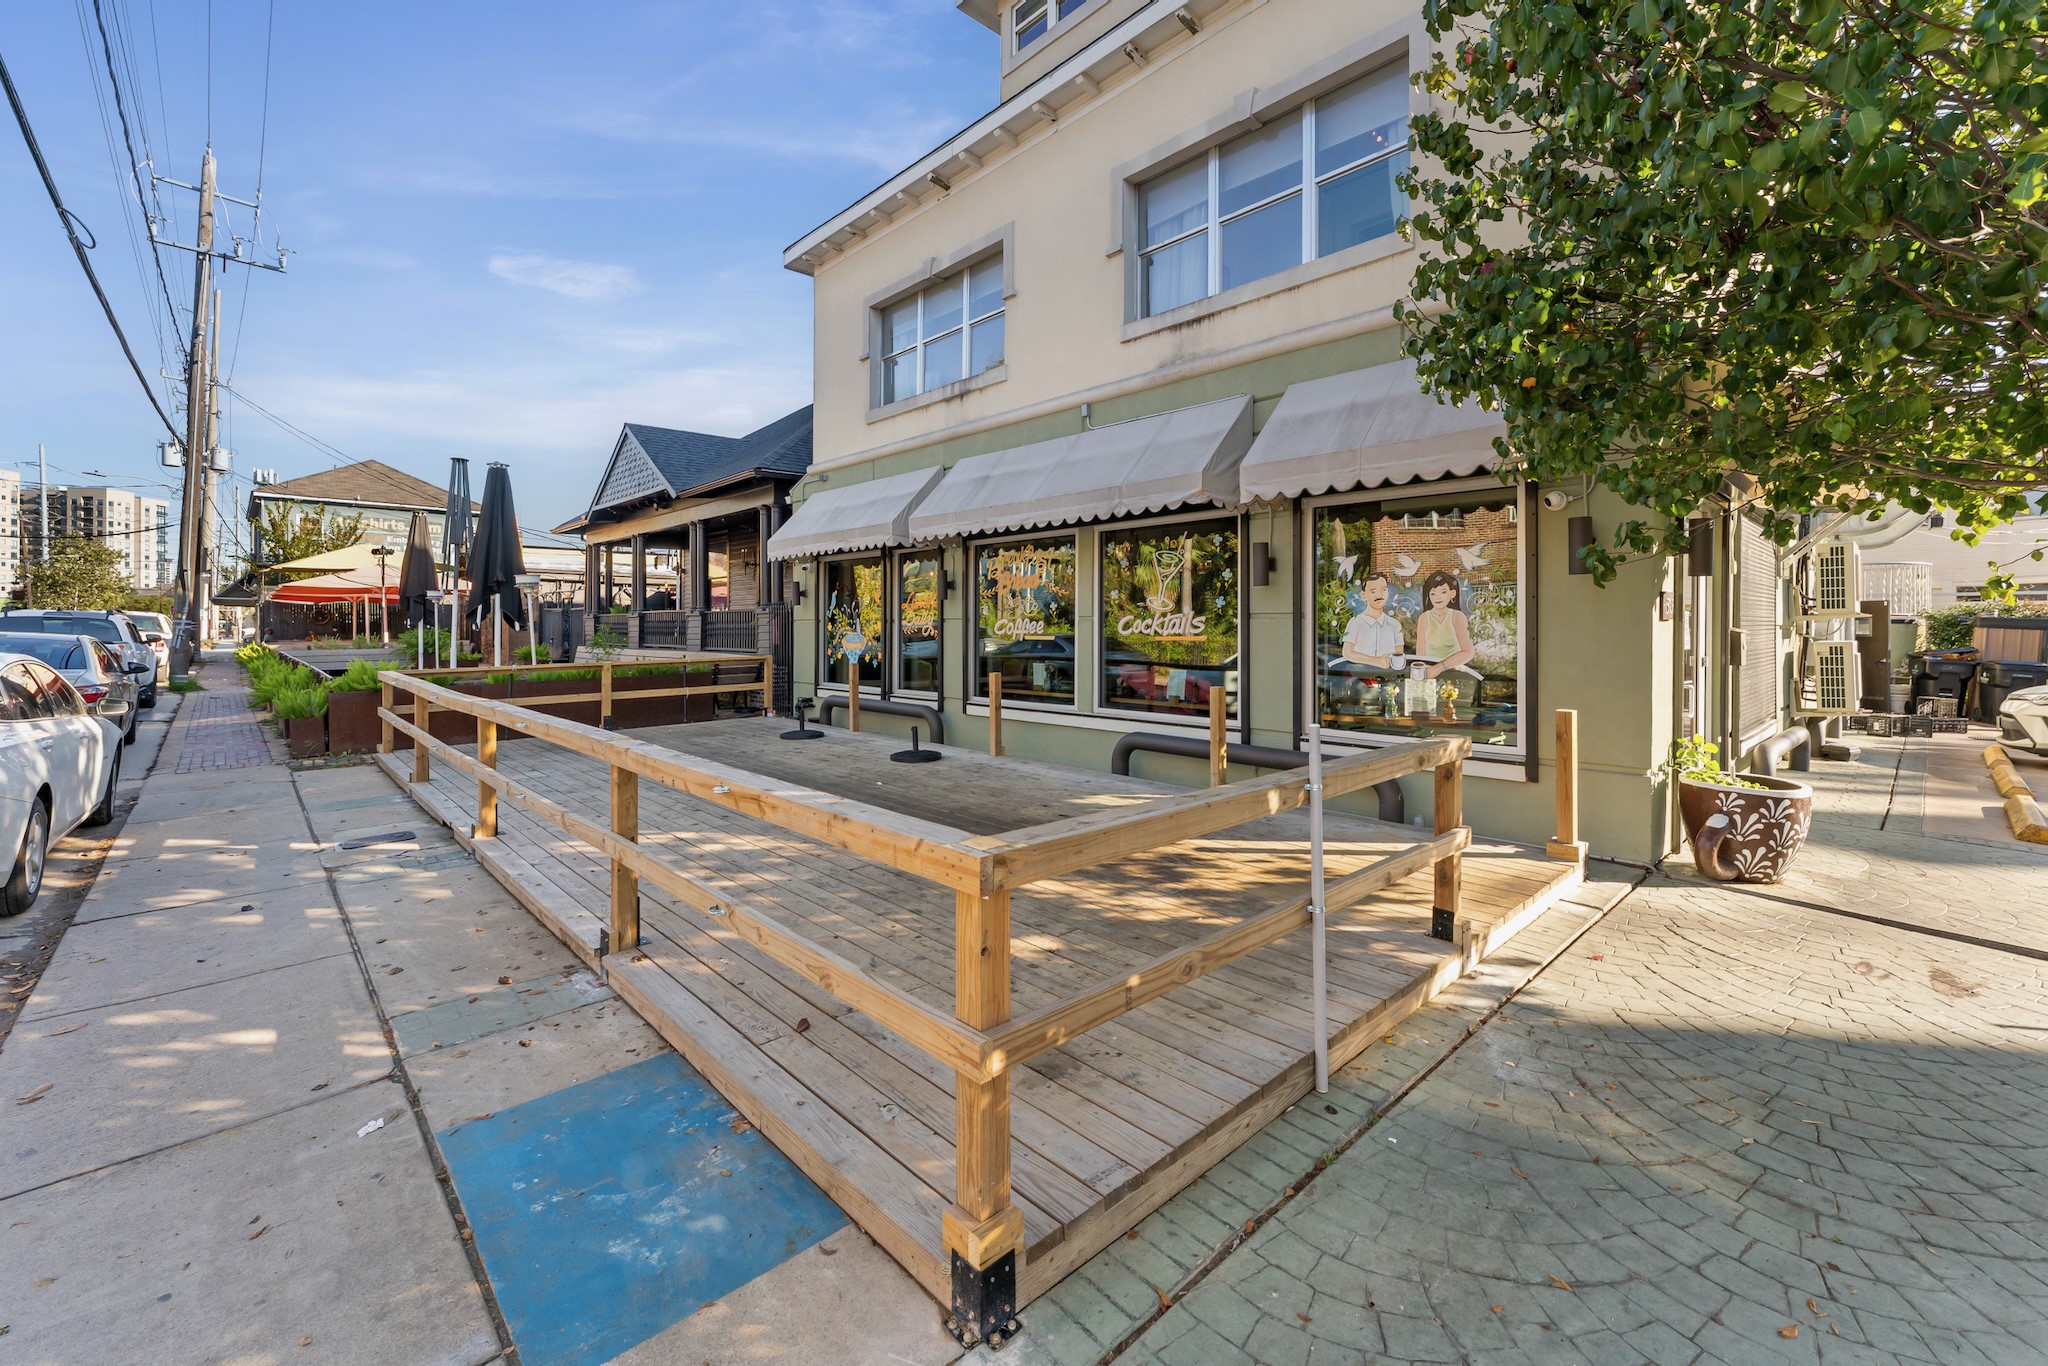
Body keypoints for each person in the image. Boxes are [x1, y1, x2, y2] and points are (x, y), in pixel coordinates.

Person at [1416, 570, 1478, 699]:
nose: (1437, 597)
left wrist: (1440, 667)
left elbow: (1468, 651)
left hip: (1454, 675)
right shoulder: (1424, 618)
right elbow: (1420, 655)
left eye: (1443, 592)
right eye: (1433, 593)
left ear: (1452, 593)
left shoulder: (1457, 616)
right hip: (1430, 677)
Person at [1339, 569, 1407, 668]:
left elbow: (1399, 656)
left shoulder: (1395, 625)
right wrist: (1377, 661)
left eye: (1383, 590)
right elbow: (1347, 653)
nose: (1379, 595)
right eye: (1373, 591)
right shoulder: (1355, 622)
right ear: (1363, 595)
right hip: (1360, 678)